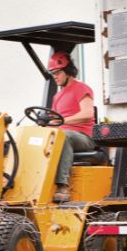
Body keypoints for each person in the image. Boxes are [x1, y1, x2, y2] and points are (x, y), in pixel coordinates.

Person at [48, 51, 95, 202]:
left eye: (57, 72)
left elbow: (87, 113)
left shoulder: (81, 88)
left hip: (83, 137)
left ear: (68, 71)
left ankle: (63, 185)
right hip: (64, 134)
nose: (55, 76)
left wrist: (63, 122)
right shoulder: (57, 96)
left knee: (64, 136)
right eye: (52, 73)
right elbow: (54, 121)